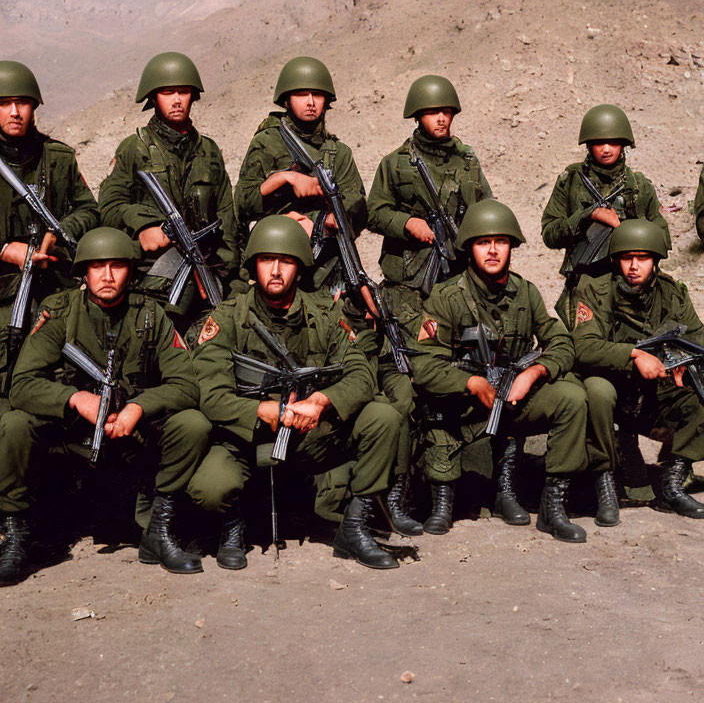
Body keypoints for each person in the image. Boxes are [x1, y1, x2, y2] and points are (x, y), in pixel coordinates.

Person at [188, 215, 404, 569]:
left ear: (300, 267)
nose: (275, 270)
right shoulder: (227, 319)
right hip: (249, 439)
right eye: (266, 260)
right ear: (253, 266)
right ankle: (232, 525)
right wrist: (264, 411)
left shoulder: (324, 313)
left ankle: (355, 525)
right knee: (212, 487)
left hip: (311, 434)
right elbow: (209, 393)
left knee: (383, 416)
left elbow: (361, 373)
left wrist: (321, 401)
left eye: (286, 261)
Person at [0, 227, 210, 586]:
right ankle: (16, 533)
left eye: (117, 266)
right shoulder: (59, 312)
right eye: (98, 267)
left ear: (130, 270)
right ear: (84, 272)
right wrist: (76, 399)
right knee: (14, 423)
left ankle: (159, 528)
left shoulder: (151, 315)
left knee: (193, 423)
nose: (108, 276)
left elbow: (186, 384)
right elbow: (22, 385)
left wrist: (138, 408)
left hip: (130, 433)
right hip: (71, 433)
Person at [412, 200, 590, 543]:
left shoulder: (526, 292)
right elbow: (424, 363)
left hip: (511, 400)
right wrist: (471, 383)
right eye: (483, 243)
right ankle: (450, 495)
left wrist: (534, 372)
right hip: (464, 407)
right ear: (469, 249)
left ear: (512, 246)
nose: (493, 251)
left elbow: (563, 343)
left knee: (571, 396)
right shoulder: (446, 297)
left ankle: (553, 507)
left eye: (501, 242)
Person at [365, 75, 492, 529]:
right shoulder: (396, 163)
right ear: (417, 114)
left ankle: (462, 489)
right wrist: (407, 224)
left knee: (463, 379)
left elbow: (486, 212)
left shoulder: (469, 161)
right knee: (406, 386)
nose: (441, 118)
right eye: (433, 111)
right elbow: (373, 211)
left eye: (448, 112)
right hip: (407, 293)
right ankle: (399, 493)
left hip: (455, 289)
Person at [573, 219, 704, 522]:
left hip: (652, 393)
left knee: (697, 396)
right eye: (626, 258)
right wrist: (633, 355)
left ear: (655, 261)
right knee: (597, 391)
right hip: (613, 390)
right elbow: (583, 347)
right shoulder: (595, 290)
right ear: (615, 260)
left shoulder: (671, 292)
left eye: (642, 258)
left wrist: (682, 360)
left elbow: (696, 335)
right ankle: (604, 481)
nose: (634, 266)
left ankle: (672, 483)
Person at [98, 52, 239, 334]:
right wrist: (144, 225)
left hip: (206, 275)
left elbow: (226, 219)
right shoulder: (134, 149)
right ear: (153, 98)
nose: (177, 99)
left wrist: (227, 276)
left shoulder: (209, 151)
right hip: (151, 281)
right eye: (167, 92)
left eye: (183, 92)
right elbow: (108, 207)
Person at [0, 60, 99, 410]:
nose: (15, 112)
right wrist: (4, 250)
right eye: (4, 103)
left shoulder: (58, 158)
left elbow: (89, 209)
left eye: (23, 103)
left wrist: (60, 233)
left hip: (55, 286)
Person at [234, 56, 366, 291]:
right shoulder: (266, 143)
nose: (311, 102)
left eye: (317, 95)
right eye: (301, 95)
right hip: (276, 262)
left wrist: (318, 223)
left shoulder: (339, 152)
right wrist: (282, 179)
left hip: (327, 264)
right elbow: (242, 205)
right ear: (286, 100)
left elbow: (357, 209)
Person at [541, 103, 670, 328]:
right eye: (599, 142)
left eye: (613, 142)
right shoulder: (571, 181)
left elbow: (662, 240)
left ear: (625, 144)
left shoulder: (639, 186)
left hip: (631, 284)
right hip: (584, 283)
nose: (607, 149)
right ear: (589, 145)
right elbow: (550, 234)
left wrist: (627, 233)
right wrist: (586, 216)